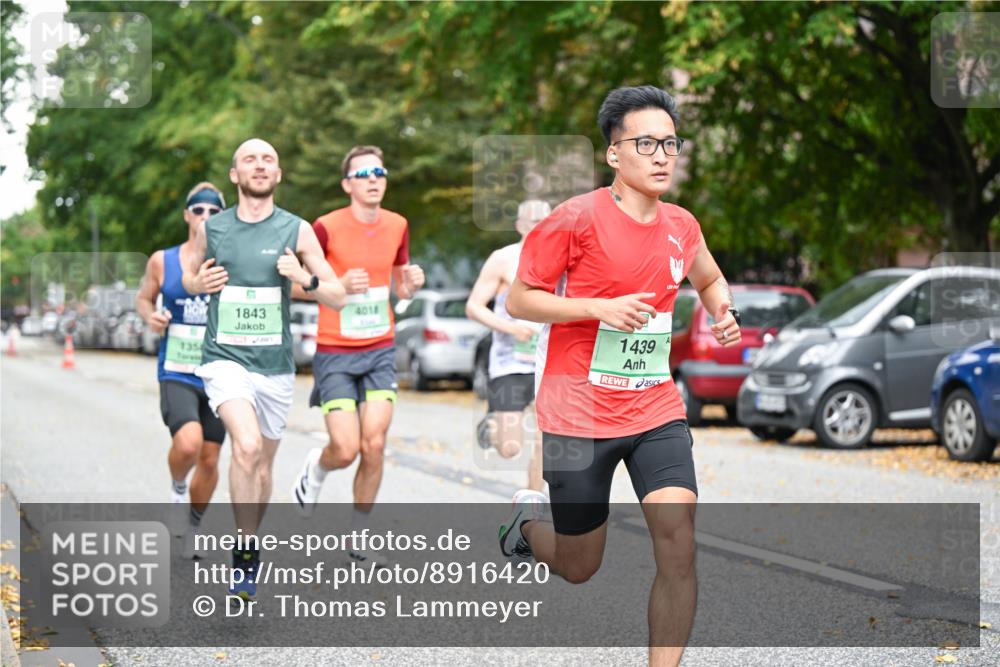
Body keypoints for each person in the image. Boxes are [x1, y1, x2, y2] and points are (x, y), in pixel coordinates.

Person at [499, 85, 742, 667]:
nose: (662, 156)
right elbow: (519, 300)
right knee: (580, 565)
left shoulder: (682, 225)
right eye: (646, 143)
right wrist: (596, 308)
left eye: (670, 144)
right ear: (614, 153)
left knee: (678, 542)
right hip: (577, 414)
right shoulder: (575, 218)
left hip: (654, 408)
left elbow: (709, 278)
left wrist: (722, 311)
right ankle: (527, 527)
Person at [183, 138, 346, 601]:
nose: (259, 165)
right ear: (235, 175)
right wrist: (200, 282)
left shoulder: (297, 230)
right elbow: (190, 278)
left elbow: (337, 296)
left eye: (268, 159)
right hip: (224, 359)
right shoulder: (212, 229)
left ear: (278, 174)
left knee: (263, 464)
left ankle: (251, 538)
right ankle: (244, 554)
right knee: (247, 446)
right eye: (249, 159)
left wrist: (304, 278)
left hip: (274, 366)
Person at [290, 145, 424, 565]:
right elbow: (292, 284)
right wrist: (336, 287)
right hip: (335, 351)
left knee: (375, 443)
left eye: (380, 173)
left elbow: (400, 286)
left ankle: (359, 537)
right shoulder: (325, 227)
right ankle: (317, 468)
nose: (373, 180)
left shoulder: (398, 224)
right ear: (347, 184)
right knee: (346, 449)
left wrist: (412, 283)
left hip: (380, 348)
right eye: (364, 174)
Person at [135, 182, 227, 559]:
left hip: (219, 373)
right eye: (199, 209)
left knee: (210, 457)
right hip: (177, 369)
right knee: (188, 443)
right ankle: (177, 488)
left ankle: (193, 527)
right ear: (187, 215)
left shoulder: (230, 260)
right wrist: (151, 316)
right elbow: (143, 298)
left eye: (214, 211)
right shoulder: (163, 260)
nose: (206, 216)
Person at [466, 199, 551, 491]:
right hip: (509, 362)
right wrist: (511, 328)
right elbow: (474, 307)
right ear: (520, 226)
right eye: (534, 222)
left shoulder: (562, 259)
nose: (542, 227)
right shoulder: (504, 259)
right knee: (510, 448)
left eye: (547, 221)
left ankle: (532, 505)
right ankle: (491, 426)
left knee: (545, 438)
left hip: (547, 363)